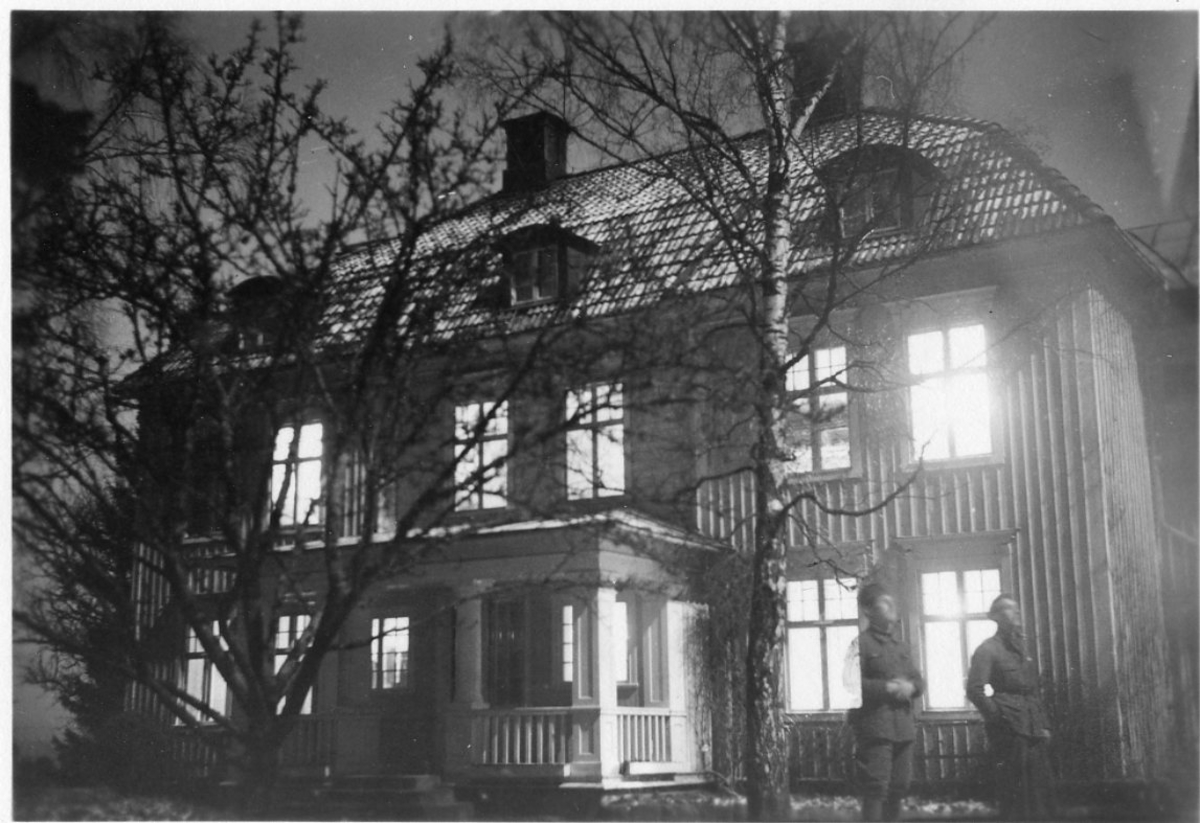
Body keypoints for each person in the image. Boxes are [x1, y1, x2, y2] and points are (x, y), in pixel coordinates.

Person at [966, 594, 1052, 820]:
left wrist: (1044, 725)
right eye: (1008, 609)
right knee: (1014, 791)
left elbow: (1032, 690)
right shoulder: (988, 650)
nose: (1016, 612)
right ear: (995, 616)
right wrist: (999, 717)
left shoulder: (1022, 650)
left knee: (1039, 790)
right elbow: (974, 689)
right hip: (1010, 729)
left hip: (1032, 727)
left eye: (1016, 608)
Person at [853, 582, 924, 822]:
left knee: (899, 787)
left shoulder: (901, 647)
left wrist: (911, 687)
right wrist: (887, 688)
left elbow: (919, 680)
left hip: (903, 728)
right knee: (876, 788)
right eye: (884, 602)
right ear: (868, 610)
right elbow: (850, 685)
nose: (891, 605)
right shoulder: (860, 645)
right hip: (876, 729)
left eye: (891, 600)